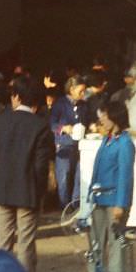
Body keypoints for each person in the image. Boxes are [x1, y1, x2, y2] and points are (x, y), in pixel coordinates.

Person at [0, 76, 54, 272]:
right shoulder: (41, 126)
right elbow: (41, 166)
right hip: (28, 192)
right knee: (26, 244)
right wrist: (41, 192)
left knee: (3, 242)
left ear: (15, 97)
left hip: (2, 191)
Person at [88, 100, 135, 272]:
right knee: (95, 242)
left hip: (114, 201)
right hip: (99, 199)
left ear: (115, 118)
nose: (102, 120)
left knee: (116, 244)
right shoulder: (107, 140)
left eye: (106, 116)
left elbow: (125, 175)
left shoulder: (125, 143)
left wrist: (120, 204)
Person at [50, 76, 88, 209]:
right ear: (71, 89)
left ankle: (76, 203)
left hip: (79, 145)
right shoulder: (59, 104)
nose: (83, 94)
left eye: (84, 91)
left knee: (79, 175)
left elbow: (87, 121)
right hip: (63, 146)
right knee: (64, 176)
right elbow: (51, 124)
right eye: (81, 91)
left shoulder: (83, 105)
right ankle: (64, 206)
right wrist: (64, 128)